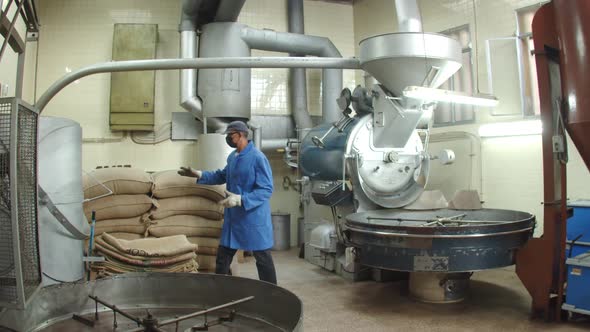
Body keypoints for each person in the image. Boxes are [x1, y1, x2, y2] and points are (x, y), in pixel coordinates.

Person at [178, 121, 277, 284]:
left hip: (253, 217)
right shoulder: (233, 157)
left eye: (230, 136)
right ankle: (220, 290)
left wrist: (241, 199)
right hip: (234, 219)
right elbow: (221, 175)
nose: (228, 139)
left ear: (240, 135)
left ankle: (274, 293)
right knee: (223, 258)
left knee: (263, 259)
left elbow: (266, 189)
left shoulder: (258, 158)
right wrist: (199, 174)